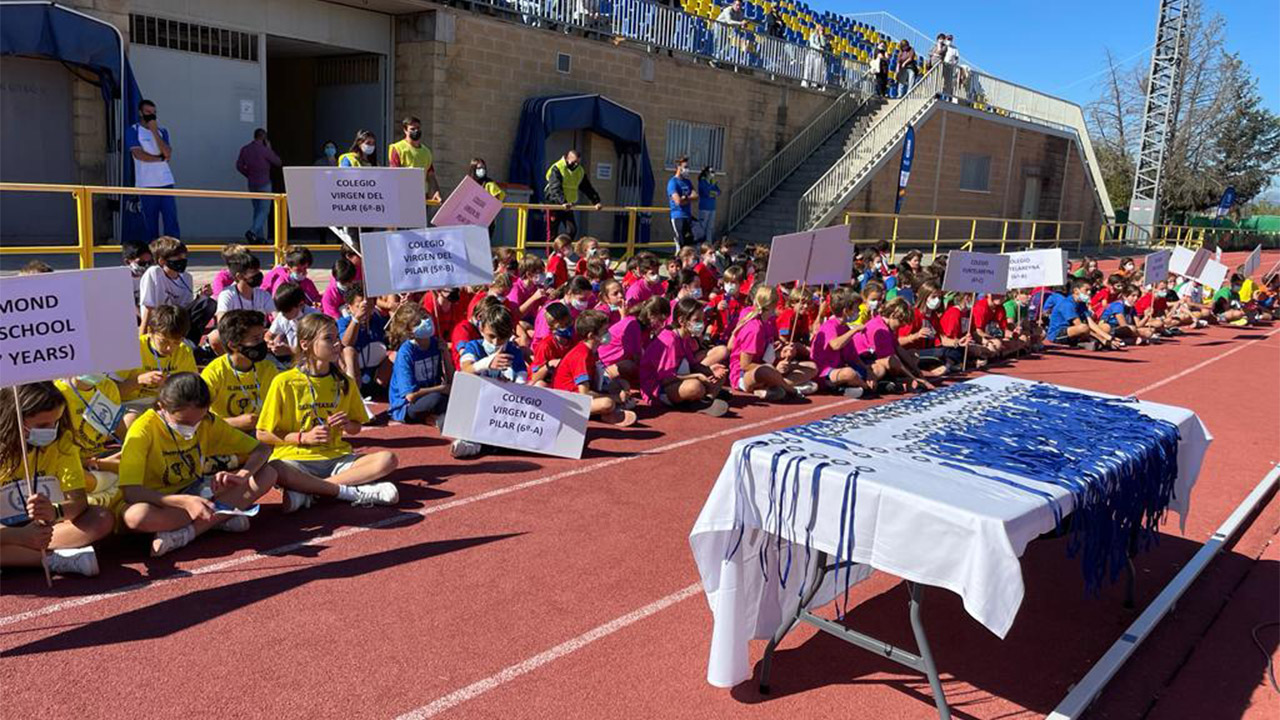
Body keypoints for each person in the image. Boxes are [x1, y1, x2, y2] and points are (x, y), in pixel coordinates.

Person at [116, 373, 277, 557]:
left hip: (199, 491)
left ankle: (187, 533)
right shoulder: (142, 430)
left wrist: (241, 475)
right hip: (158, 502)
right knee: (136, 517)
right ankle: (219, 517)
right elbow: (131, 491)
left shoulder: (208, 421)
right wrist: (185, 502)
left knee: (268, 473)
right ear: (162, 407)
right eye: (183, 422)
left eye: (198, 421)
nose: (192, 427)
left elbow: (261, 449)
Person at [256, 314, 399, 514]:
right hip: (295, 461)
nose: (337, 344)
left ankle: (311, 491)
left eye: (336, 338)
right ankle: (350, 492)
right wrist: (302, 437)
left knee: (388, 459)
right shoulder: (284, 382)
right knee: (275, 469)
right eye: (328, 338)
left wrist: (347, 424)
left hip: (337, 458)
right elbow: (262, 433)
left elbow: (356, 428)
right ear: (305, 344)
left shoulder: (344, 382)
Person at [0, 382, 113, 576]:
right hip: (6, 532)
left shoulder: (63, 442)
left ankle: (18, 556)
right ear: (15, 419)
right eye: (42, 426)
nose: (51, 430)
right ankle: (54, 560)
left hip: (48, 529)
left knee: (101, 518)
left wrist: (55, 511)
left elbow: (78, 502)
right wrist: (20, 536)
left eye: (56, 421)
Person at [638, 297, 730, 415]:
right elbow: (666, 379)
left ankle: (704, 400)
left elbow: (693, 364)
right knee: (695, 386)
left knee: (720, 374)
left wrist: (710, 370)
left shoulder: (685, 337)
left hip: (675, 380)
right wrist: (698, 376)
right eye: (697, 320)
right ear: (682, 321)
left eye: (702, 320)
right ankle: (702, 398)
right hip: (658, 390)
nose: (701, 324)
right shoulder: (669, 340)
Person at [728, 285, 818, 401]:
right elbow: (745, 365)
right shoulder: (754, 329)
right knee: (767, 370)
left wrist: (783, 352)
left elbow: (774, 344)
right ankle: (790, 389)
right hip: (743, 375)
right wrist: (775, 369)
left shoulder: (769, 321)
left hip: (767, 365)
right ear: (772, 305)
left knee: (812, 367)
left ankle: (775, 386)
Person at [552, 310, 637, 426]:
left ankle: (611, 408)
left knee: (621, 384)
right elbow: (584, 394)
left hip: (579, 395)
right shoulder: (582, 355)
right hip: (568, 402)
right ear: (592, 336)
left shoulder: (592, 351)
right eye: (604, 331)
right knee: (607, 403)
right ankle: (608, 412)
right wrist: (615, 397)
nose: (608, 333)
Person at [202, 310, 278, 434]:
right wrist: (235, 422)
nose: (262, 344)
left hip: (260, 433)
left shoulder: (268, 368)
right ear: (234, 345)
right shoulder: (214, 372)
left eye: (261, 337)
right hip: (224, 434)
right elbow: (197, 419)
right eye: (255, 339)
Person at [116, 305, 198, 418]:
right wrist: (138, 380)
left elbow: (192, 390)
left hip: (166, 404)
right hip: (133, 403)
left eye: (176, 342)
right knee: (131, 421)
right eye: (164, 341)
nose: (170, 348)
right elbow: (113, 393)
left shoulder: (184, 351)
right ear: (150, 331)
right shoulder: (132, 348)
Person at [137, 236, 216, 347]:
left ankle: (190, 343)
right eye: (177, 257)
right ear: (162, 261)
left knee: (207, 303)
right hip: (160, 320)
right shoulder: (154, 273)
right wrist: (142, 339)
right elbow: (148, 307)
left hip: (178, 319)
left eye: (184, 257)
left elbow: (186, 307)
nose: (182, 260)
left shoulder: (186, 277)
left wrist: (200, 297)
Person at [386, 303, 452, 425]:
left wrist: (446, 354)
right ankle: (434, 417)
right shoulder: (406, 353)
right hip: (407, 407)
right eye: (418, 323)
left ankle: (435, 417)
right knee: (438, 399)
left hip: (432, 394)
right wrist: (442, 389)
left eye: (426, 318)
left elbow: (451, 379)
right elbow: (410, 396)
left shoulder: (435, 343)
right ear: (409, 331)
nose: (425, 323)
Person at [853, 298, 937, 393]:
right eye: (901, 322)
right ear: (893, 315)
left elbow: (898, 348)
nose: (901, 326)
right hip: (862, 362)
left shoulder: (888, 326)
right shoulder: (880, 330)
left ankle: (895, 381)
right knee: (883, 367)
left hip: (872, 359)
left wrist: (917, 371)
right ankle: (876, 383)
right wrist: (914, 377)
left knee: (912, 354)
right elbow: (891, 360)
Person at [127, 98, 180, 240]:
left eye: (154, 113)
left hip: (165, 182)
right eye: (148, 112)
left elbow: (168, 153)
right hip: (146, 184)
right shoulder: (133, 130)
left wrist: (154, 131)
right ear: (140, 113)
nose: (151, 115)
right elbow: (138, 154)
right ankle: (152, 253)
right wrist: (159, 159)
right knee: (150, 223)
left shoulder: (162, 131)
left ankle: (173, 251)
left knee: (171, 219)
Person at [809, 288, 871, 398]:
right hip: (824, 373)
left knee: (874, 369)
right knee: (849, 373)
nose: (859, 312)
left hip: (839, 368)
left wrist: (869, 371)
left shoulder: (845, 328)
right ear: (845, 311)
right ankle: (865, 387)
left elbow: (853, 357)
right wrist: (854, 330)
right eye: (856, 309)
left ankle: (846, 388)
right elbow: (835, 345)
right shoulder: (830, 325)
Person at [336, 283, 391, 397]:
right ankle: (354, 396)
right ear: (349, 307)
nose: (366, 311)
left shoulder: (376, 319)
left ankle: (381, 390)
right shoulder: (343, 323)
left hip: (375, 373)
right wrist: (357, 319)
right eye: (359, 307)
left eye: (370, 306)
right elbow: (346, 343)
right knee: (349, 351)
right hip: (355, 372)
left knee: (395, 354)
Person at [235, 128, 281, 243]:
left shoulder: (245, 149)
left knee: (257, 210)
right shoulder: (264, 150)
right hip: (264, 182)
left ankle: (259, 238)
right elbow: (278, 162)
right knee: (264, 210)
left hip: (252, 183)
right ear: (264, 137)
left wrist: (249, 174)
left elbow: (239, 166)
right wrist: (270, 149)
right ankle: (253, 231)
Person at [1047, 280, 1122, 350]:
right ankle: (1092, 342)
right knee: (1083, 328)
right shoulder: (1067, 304)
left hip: (1076, 332)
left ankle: (1085, 343)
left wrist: (1109, 337)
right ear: (1076, 291)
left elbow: (1091, 324)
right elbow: (1080, 326)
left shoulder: (1082, 303)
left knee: (1106, 327)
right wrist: (1103, 340)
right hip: (1058, 334)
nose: (1089, 293)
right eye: (1086, 290)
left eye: (1090, 290)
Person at [544, 149, 602, 240]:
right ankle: (551, 254)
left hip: (568, 205)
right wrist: (563, 201)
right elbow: (555, 187)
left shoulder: (579, 171)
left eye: (578, 163)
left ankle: (563, 249)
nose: (575, 165)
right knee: (552, 232)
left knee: (572, 230)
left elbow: (587, 187)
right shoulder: (557, 168)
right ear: (567, 158)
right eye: (573, 162)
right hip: (554, 203)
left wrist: (596, 201)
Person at [388, 116, 442, 203]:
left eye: (418, 128)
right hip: (404, 197)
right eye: (412, 129)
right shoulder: (397, 148)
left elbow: (430, 175)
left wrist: (436, 192)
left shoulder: (426, 151)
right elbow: (393, 174)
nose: (416, 131)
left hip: (422, 196)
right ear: (405, 130)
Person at [266, 282, 318, 367]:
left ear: (300, 305)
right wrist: (270, 342)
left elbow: (316, 349)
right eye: (281, 312)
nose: (283, 315)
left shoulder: (314, 318)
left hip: (311, 363)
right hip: (293, 361)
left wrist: (289, 350)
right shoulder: (283, 315)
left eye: (287, 311)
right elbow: (269, 334)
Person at [668, 156, 698, 249]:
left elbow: (696, 196)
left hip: (688, 216)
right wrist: (687, 199)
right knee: (681, 244)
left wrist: (686, 198)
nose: (687, 170)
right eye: (685, 167)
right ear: (678, 168)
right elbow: (678, 201)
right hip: (678, 216)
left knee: (695, 239)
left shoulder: (687, 182)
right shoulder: (673, 182)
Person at [123, 243, 153, 307]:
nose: (146, 266)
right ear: (127, 262)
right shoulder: (122, 280)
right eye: (142, 263)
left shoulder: (153, 277)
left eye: (150, 263)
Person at [697, 167, 720, 245]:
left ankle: (708, 244)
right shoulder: (702, 182)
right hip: (704, 208)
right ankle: (700, 245)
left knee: (710, 228)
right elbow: (706, 193)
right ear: (707, 173)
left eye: (714, 172)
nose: (713, 173)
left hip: (712, 207)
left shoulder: (712, 182)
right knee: (702, 227)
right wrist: (713, 191)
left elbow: (719, 192)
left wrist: (713, 192)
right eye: (711, 172)